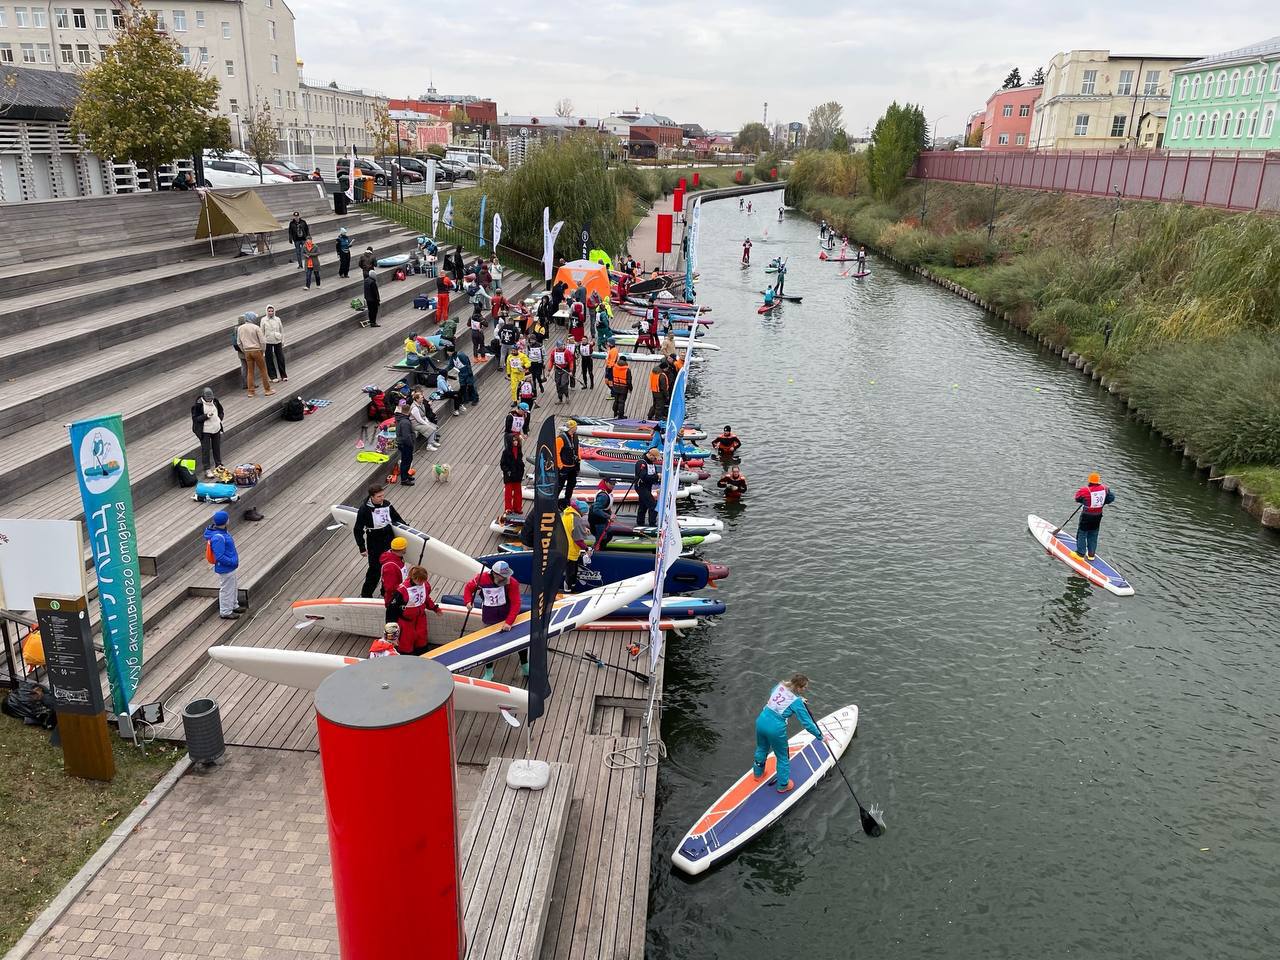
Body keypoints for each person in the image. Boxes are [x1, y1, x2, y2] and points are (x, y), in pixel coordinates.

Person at [753, 674, 827, 794]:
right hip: (775, 729)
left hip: (761, 720)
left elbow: (780, 698)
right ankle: (783, 786)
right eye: (804, 688)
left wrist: (799, 699)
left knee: (761, 748)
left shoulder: (779, 686)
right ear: (798, 687)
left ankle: (758, 774)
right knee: (783, 757)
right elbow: (807, 723)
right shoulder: (796, 702)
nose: (805, 690)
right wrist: (820, 736)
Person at [462, 561, 523, 681]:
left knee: (519, 642)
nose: (507, 578)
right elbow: (469, 588)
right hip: (489, 617)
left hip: (507, 615)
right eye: (503, 576)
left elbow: (516, 603)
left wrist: (509, 622)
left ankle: (525, 665)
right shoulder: (481, 579)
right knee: (487, 645)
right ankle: (489, 672)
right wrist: (468, 601)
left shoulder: (512, 583)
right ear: (495, 574)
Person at [354, 483, 405, 597]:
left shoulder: (386, 504)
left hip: (388, 537)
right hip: (374, 540)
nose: (382, 498)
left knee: (390, 566)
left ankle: (385, 590)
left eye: (383, 495)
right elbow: (358, 529)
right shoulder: (364, 509)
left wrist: (407, 528)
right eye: (379, 496)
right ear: (372, 496)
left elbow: (396, 517)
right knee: (375, 569)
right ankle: (366, 594)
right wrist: (361, 547)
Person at [386, 565, 443, 656]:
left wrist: (435, 608)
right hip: (406, 621)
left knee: (422, 639)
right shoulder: (402, 591)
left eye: (423, 580)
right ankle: (407, 659)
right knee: (406, 643)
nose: (422, 583)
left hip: (420, 619)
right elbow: (391, 609)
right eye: (420, 581)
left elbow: (426, 599)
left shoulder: (425, 585)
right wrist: (390, 626)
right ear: (414, 578)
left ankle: (423, 656)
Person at [204, 510, 244, 620]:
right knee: (226, 589)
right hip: (226, 567)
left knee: (233, 586)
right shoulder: (218, 537)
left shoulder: (223, 532)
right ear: (226, 521)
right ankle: (226, 611)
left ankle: (233, 605)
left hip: (230, 566)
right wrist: (232, 561)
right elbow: (219, 556)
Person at [1073, 472, 1115, 561]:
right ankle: (1091, 555)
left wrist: (1084, 502)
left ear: (1089, 481)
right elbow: (1111, 498)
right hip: (1098, 516)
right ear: (1098, 481)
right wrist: (1103, 502)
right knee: (1093, 534)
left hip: (1087, 516)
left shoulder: (1085, 490)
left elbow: (1077, 498)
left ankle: (1080, 554)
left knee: (1082, 533)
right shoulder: (1105, 488)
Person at [190, 386, 226, 478]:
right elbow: (195, 418)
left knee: (216, 448)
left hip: (216, 428)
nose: (210, 400)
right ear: (203, 397)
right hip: (205, 430)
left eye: (211, 398)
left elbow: (221, 411)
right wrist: (206, 416)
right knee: (205, 450)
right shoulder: (198, 405)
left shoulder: (215, 401)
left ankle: (219, 466)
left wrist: (219, 419)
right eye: (208, 399)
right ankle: (207, 469)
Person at [236, 313, 272, 397]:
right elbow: (263, 341)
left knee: (250, 371)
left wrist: (244, 350)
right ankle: (267, 390)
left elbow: (238, 342)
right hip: (256, 350)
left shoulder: (240, 328)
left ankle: (251, 391)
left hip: (247, 351)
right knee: (263, 370)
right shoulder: (256, 327)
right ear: (252, 318)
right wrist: (262, 351)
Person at [562, 499, 592, 591]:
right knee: (571, 573)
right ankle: (567, 591)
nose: (584, 515)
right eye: (584, 513)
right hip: (570, 551)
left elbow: (572, 527)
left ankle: (572, 588)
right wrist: (587, 549)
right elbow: (578, 540)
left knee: (573, 572)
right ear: (581, 511)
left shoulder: (568, 514)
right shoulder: (576, 519)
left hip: (563, 546)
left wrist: (583, 528)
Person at [634, 448, 661, 528]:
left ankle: (640, 522)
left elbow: (653, 477)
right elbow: (644, 477)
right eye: (655, 458)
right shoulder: (641, 463)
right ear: (650, 455)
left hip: (648, 487)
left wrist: (658, 480)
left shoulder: (652, 464)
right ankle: (652, 524)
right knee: (653, 505)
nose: (655, 460)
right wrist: (657, 476)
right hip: (641, 486)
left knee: (643, 505)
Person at [556, 419, 580, 506]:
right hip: (564, 467)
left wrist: (579, 460)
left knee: (571, 484)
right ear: (571, 428)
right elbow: (556, 452)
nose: (576, 429)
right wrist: (560, 465)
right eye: (575, 427)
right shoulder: (560, 438)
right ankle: (554, 502)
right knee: (559, 486)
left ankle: (567, 501)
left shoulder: (575, 436)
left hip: (573, 466)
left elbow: (577, 449)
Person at [261, 304, 287, 382]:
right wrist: (262, 343)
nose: (270, 312)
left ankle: (283, 375)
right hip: (268, 341)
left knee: (280, 358)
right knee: (269, 359)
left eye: (272, 311)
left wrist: (283, 340)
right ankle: (273, 376)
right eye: (269, 311)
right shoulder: (263, 320)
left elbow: (281, 330)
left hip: (277, 340)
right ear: (266, 311)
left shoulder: (278, 319)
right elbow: (261, 332)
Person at [500, 434, 525, 518]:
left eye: (516, 440)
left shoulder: (519, 450)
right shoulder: (506, 452)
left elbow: (520, 461)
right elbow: (502, 464)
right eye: (514, 440)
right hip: (509, 476)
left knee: (518, 493)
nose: (515, 442)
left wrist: (521, 470)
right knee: (508, 494)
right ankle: (508, 509)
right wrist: (507, 471)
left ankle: (517, 508)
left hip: (517, 475)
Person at [394, 400, 416, 486]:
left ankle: (406, 475)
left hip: (403, 444)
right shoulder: (405, 422)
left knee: (408, 460)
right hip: (405, 445)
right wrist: (411, 444)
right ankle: (404, 479)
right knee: (406, 462)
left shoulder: (402, 419)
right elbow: (406, 436)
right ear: (409, 411)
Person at [588, 479, 614, 546]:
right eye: (611, 483)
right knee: (601, 539)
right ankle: (597, 550)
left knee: (609, 533)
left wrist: (611, 513)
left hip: (603, 518)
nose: (613, 485)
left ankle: (601, 546)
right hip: (597, 520)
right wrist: (609, 516)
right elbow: (596, 510)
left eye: (614, 484)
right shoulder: (603, 496)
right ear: (606, 482)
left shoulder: (607, 493)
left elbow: (607, 506)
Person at [551, 338, 575, 402]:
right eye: (559, 346)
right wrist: (549, 370)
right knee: (558, 384)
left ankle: (567, 396)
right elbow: (551, 361)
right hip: (557, 370)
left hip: (565, 370)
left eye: (562, 346)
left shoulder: (567, 352)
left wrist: (571, 371)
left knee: (563, 384)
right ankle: (560, 398)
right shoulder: (554, 352)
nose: (561, 347)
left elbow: (571, 362)